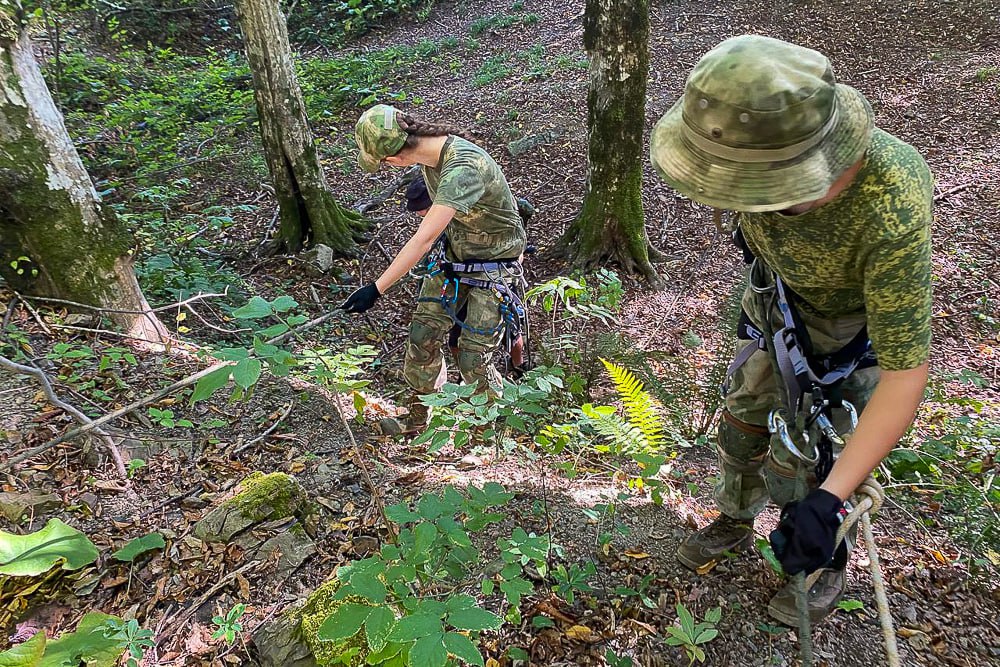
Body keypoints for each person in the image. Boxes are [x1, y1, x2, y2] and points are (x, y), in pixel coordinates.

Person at [649, 35, 932, 624]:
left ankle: (825, 561)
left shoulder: (891, 201)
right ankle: (733, 513)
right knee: (743, 425)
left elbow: (906, 376)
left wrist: (829, 503)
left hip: (850, 340)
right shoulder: (747, 144)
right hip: (773, 311)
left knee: (814, 462)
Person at [341, 104, 528, 435]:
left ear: (396, 157)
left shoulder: (462, 167)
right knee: (422, 337)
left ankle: (492, 434)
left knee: (473, 357)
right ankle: (420, 419)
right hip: (455, 258)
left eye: (383, 164)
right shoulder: (432, 156)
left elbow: (422, 240)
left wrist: (376, 288)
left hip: (496, 267)